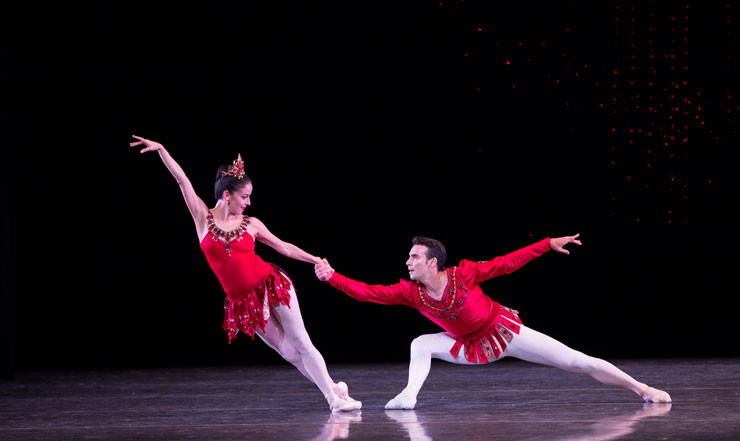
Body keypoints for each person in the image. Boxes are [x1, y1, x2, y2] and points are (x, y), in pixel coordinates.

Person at [130, 135, 361, 412]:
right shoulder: (203, 217)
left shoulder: (251, 224)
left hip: (270, 285)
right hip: (244, 302)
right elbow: (183, 182)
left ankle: (333, 399)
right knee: (289, 353)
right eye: (245, 196)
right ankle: (334, 389)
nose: (249, 202)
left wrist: (315, 259)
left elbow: (282, 247)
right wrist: (163, 151)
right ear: (227, 195)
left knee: (301, 341)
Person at [314, 234, 671, 409]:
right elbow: (367, 292)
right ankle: (409, 396)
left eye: (414, 257)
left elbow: (505, 262)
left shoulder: (464, 274)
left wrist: (546, 244)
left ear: (433, 263)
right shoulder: (412, 292)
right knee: (421, 343)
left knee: (577, 362)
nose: (407, 262)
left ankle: (643, 389)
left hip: (505, 332)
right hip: (470, 346)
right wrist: (332, 278)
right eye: (408, 257)